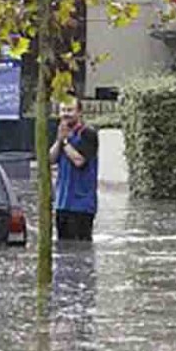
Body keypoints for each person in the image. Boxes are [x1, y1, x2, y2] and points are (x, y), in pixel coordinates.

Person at [49, 95, 99, 241]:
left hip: (82, 205)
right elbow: (50, 159)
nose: (65, 114)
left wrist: (64, 141)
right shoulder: (61, 134)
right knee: (63, 247)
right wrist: (59, 141)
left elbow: (79, 161)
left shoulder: (88, 134)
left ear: (79, 112)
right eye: (63, 110)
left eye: (70, 110)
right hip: (62, 203)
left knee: (80, 249)